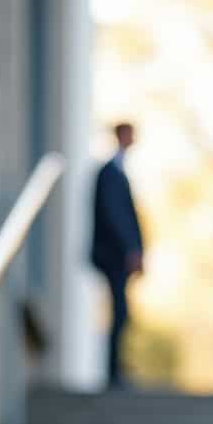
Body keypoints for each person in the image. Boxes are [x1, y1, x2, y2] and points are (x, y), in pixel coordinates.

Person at [91, 122, 144, 389]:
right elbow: (115, 216)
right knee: (119, 311)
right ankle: (113, 372)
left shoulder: (117, 172)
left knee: (120, 311)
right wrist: (130, 249)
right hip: (112, 256)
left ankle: (116, 369)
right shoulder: (110, 173)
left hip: (117, 255)